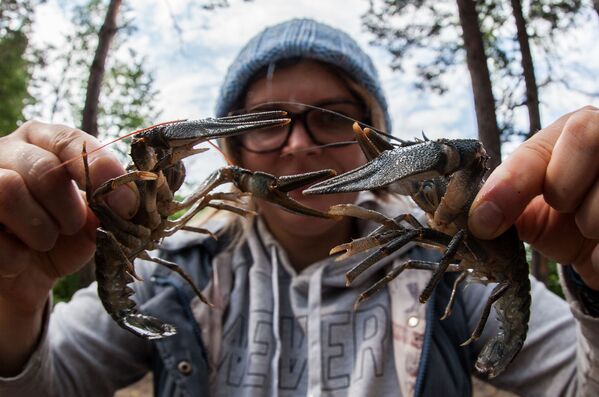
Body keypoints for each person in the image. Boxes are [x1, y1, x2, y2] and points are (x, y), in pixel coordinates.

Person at [0, 17, 598, 397]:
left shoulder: (441, 266)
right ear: (230, 147)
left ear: (376, 139)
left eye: (328, 115)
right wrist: (13, 309)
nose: (299, 143)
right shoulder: (171, 271)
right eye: (269, 123)